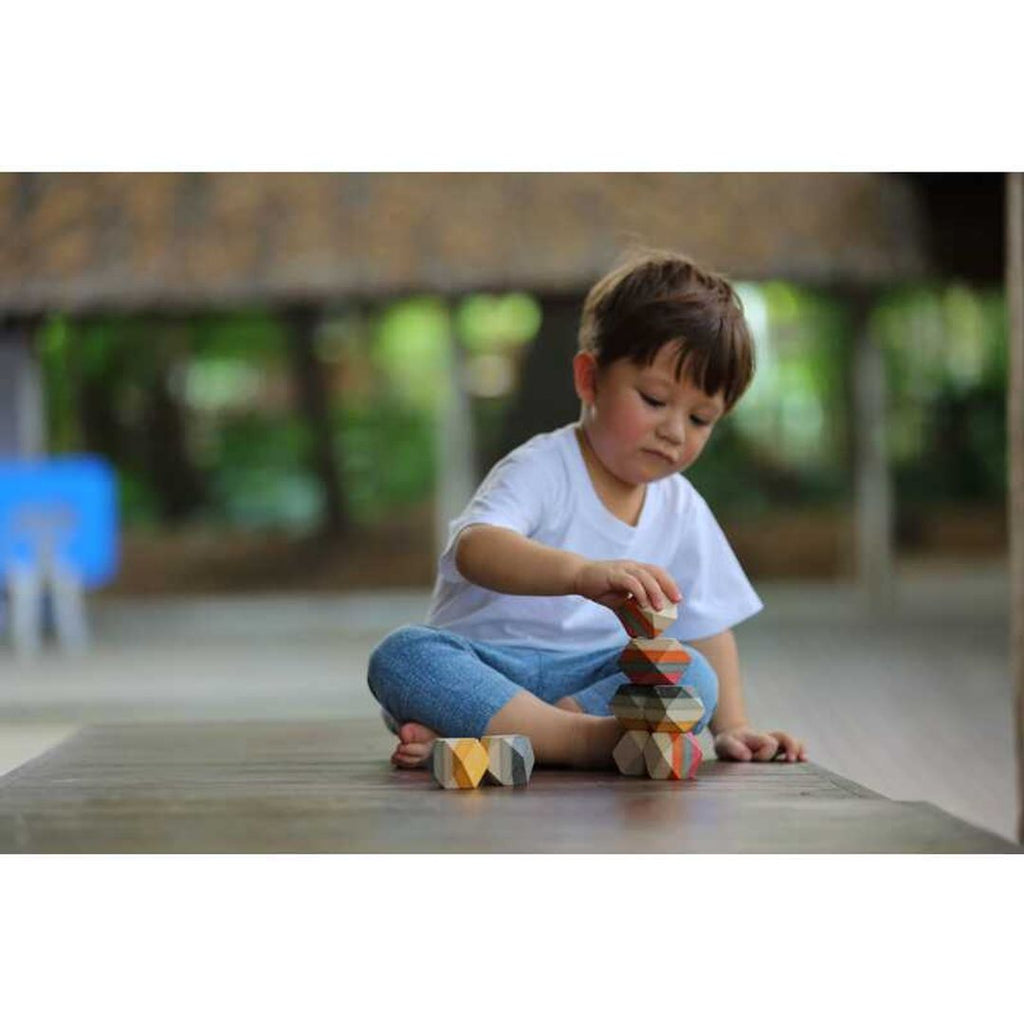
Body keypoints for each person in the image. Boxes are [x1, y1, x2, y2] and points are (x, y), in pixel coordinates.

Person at [367, 249, 806, 771]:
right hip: (488, 668)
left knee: (695, 674)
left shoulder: (682, 506)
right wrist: (579, 574)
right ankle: (576, 740)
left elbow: (707, 623)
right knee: (404, 657)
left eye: (701, 418)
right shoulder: (544, 466)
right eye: (654, 399)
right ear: (589, 380)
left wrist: (732, 727)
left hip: (593, 682)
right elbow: (476, 547)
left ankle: (517, 736)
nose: (674, 431)